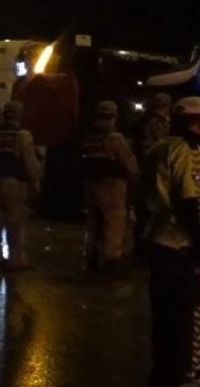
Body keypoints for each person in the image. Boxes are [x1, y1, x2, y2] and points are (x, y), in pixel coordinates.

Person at [140, 96, 200, 387]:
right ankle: (188, 384)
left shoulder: (158, 148)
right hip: (182, 246)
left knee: (165, 318)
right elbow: (197, 204)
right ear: (198, 122)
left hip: (158, 241)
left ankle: (163, 379)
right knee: (192, 316)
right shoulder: (191, 153)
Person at [0, 100, 41, 270]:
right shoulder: (22, 135)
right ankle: (15, 259)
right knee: (15, 220)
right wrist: (35, 184)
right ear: (20, 115)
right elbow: (30, 164)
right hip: (13, 183)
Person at [80, 100, 137, 274]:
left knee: (94, 222)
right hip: (111, 186)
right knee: (113, 223)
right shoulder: (114, 137)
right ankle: (111, 260)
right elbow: (129, 163)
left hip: (91, 185)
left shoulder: (88, 136)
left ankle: (92, 256)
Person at [132, 92, 172, 255]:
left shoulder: (142, 120)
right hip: (152, 172)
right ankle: (147, 249)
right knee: (153, 212)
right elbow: (161, 146)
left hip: (141, 170)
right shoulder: (159, 123)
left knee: (141, 212)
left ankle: (139, 247)